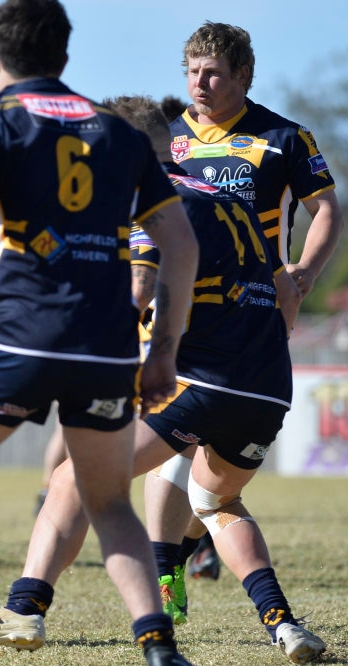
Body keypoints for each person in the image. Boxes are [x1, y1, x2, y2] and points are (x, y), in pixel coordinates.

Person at [0, 3, 208, 666]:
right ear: (65, 56)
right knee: (108, 501)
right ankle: (160, 651)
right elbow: (181, 243)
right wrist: (165, 346)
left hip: (19, 336)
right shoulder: (119, 133)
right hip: (107, 347)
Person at [0, 94, 326, 666]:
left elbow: (139, 291)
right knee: (216, 501)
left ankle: (24, 610)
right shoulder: (231, 201)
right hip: (266, 387)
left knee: (71, 480)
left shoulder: (153, 206)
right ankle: (283, 625)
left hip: (199, 380)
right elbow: (287, 290)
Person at [151, 20, 343, 585]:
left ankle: (182, 551)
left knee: (213, 458)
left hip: (256, 309)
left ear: (244, 75)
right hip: (180, 309)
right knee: (175, 445)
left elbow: (327, 209)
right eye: (193, 72)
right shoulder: (165, 138)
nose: (201, 84)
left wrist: (304, 272)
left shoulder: (284, 138)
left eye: (213, 73)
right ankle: (172, 566)